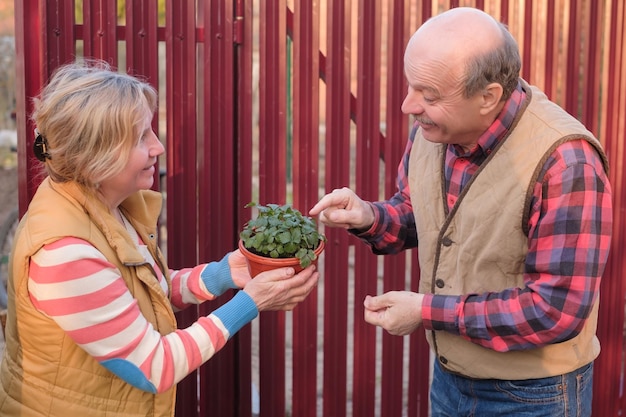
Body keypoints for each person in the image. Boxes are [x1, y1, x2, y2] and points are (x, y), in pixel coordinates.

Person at [310, 7, 612, 417]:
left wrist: (424, 310)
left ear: (488, 96)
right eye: (411, 87)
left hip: (535, 396)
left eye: (429, 95)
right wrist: (369, 216)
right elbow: (422, 214)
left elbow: (554, 310)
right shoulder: (436, 130)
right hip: (450, 382)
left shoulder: (566, 163)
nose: (408, 106)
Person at [0, 60, 319, 417]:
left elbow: (139, 295)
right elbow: (154, 366)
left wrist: (224, 274)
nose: (158, 147)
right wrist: (250, 303)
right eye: (140, 138)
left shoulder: (101, 206)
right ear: (95, 156)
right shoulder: (65, 253)